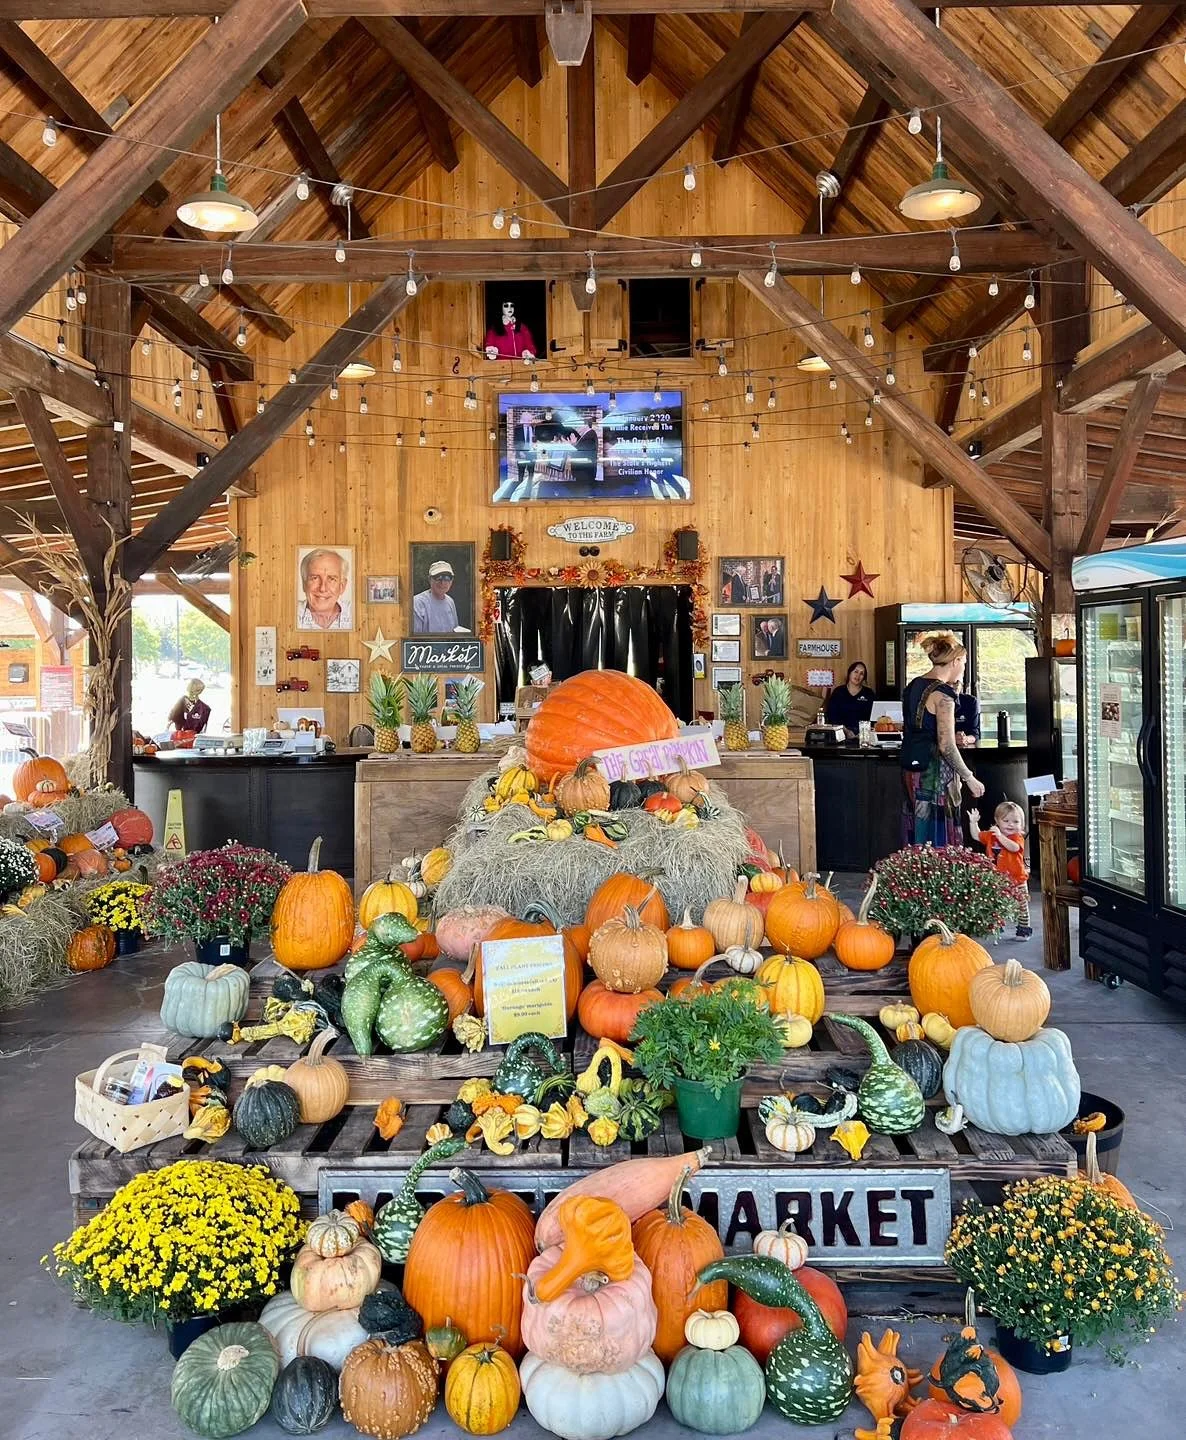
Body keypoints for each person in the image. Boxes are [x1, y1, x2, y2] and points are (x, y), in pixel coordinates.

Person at [900, 631, 985, 846]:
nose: (964, 669)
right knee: (939, 839)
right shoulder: (944, 695)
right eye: (964, 663)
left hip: (912, 770)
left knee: (917, 831)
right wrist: (969, 777)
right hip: (937, 774)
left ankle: (913, 876)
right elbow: (946, 745)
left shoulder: (913, 687)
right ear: (955, 661)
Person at [969, 800, 1032, 938]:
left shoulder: (1017, 837)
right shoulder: (991, 836)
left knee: (1022, 905)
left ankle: (1024, 929)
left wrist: (999, 836)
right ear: (997, 821)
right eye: (1006, 820)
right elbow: (976, 835)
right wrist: (973, 823)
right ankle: (997, 926)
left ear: (1021, 824)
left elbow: (1014, 848)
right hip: (997, 879)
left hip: (1017, 879)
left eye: (1016, 822)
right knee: (995, 904)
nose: (1011, 824)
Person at [298, 547, 351, 630]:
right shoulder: (289, 614)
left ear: (342, 586)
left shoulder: (356, 614)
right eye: (315, 578)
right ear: (304, 584)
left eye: (331, 579)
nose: (322, 588)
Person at [825, 660, 875, 736]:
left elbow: (874, 717)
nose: (858, 676)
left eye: (861, 673)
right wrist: (846, 731)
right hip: (841, 734)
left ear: (864, 678)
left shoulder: (869, 693)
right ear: (849, 673)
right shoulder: (838, 692)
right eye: (856, 671)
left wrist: (861, 732)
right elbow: (832, 716)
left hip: (863, 735)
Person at [413, 560, 463, 634]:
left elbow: (455, 630)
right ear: (429, 579)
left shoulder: (450, 601)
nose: (442, 582)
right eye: (438, 577)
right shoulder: (417, 602)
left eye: (447, 578)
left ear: (451, 581)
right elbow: (415, 638)